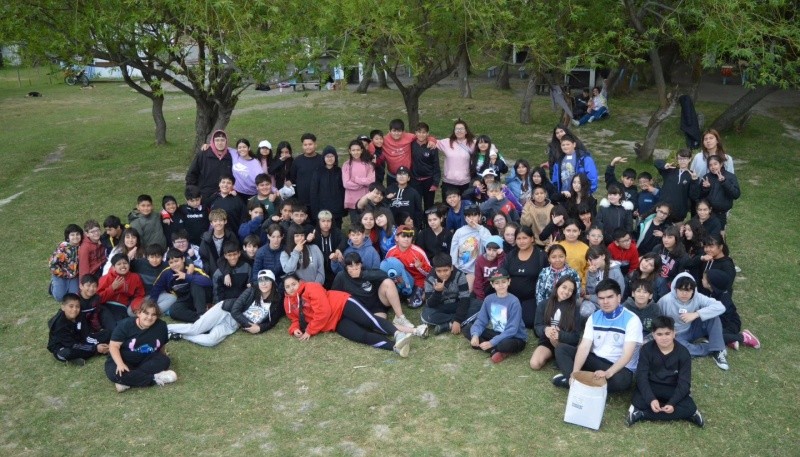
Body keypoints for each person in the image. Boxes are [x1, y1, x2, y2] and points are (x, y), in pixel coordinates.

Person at [283, 275, 415, 357]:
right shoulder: (288, 302)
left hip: (342, 304)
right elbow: (294, 319)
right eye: (288, 287)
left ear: (300, 282)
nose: (291, 288)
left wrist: (310, 331)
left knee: (370, 321)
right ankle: (395, 347)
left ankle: (398, 334)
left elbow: (323, 311)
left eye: (293, 284)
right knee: (361, 336)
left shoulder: (311, 287)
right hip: (334, 323)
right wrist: (295, 329)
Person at [552, 279, 642, 392]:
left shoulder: (632, 319)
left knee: (622, 381)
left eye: (610, 297)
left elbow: (627, 355)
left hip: (618, 367)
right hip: (595, 359)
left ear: (619, 298)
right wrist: (574, 373)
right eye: (601, 298)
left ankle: (577, 383)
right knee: (561, 349)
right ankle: (575, 379)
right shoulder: (594, 317)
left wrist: (608, 373)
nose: (605, 302)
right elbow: (584, 347)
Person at [167, 269, 284, 347]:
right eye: (260, 280)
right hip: (224, 310)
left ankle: (181, 335)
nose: (263, 284)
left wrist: (259, 328)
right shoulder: (251, 291)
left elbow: (272, 321)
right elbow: (235, 310)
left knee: (211, 341)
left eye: (267, 280)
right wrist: (249, 325)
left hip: (234, 323)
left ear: (273, 282)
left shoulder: (276, 301)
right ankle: (165, 328)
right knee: (196, 329)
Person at [625, 316, 705, 427]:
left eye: (667, 333)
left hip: (672, 388)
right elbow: (641, 377)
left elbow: (684, 383)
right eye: (659, 334)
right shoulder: (646, 349)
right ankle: (682, 414)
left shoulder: (683, 353)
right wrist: (651, 399)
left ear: (674, 333)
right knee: (638, 400)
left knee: (689, 407)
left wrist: (672, 403)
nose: (664, 338)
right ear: (653, 335)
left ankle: (642, 414)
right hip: (652, 385)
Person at [331, 252, 423, 331]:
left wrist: (363, 274)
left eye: (357, 265)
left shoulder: (365, 271)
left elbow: (383, 275)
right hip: (362, 309)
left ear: (361, 264)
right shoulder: (341, 276)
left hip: (377, 303)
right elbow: (334, 296)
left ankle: (400, 317)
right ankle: (412, 331)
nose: (354, 268)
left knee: (388, 282)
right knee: (377, 325)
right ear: (346, 267)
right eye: (350, 266)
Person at [657, 272, 730, 371]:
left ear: (693, 290)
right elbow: (657, 319)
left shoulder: (698, 297)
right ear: (675, 289)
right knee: (678, 349)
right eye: (681, 289)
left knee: (714, 317)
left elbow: (720, 307)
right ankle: (712, 347)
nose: (684, 293)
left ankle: (717, 351)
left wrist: (696, 314)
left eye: (688, 290)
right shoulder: (665, 301)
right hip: (677, 335)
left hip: (692, 327)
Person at [104, 300, 177, 392]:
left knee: (165, 360)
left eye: (153, 314)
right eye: (146, 313)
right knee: (115, 374)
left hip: (146, 359)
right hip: (124, 359)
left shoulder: (161, 326)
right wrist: (120, 364)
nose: (149, 317)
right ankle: (155, 378)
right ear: (138, 313)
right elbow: (113, 346)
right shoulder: (125, 325)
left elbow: (162, 344)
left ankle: (127, 381)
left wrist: (162, 357)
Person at [463, 269, 528, 363]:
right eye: (497, 283)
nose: (501, 285)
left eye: (504, 282)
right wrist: (475, 335)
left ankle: (496, 348)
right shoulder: (489, 299)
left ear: (509, 282)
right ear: (492, 284)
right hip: (498, 333)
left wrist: (491, 342)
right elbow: (481, 320)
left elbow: (512, 329)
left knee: (504, 345)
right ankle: (494, 351)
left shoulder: (514, 301)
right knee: (468, 329)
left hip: (515, 337)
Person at [422, 253, 481, 335]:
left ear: (451, 268)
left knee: (480, 305)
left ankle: (449, 325)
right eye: (439, 271)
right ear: (435, 269)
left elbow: (464, 299)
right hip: (441, 306)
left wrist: (457, 320)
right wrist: (437, 292)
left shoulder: (460, 275)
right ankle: (458, 322)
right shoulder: (430, 279)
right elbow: (429, 304)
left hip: (457, 304)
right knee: (426, 316)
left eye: (445, 270)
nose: (442, 274)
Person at [530, 277, 583, 370]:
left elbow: (575, 337)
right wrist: (546, 329)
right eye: (564, 287)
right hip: (547, 341)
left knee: (566, 356)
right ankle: (552, 354)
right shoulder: (544, 304)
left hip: (566, 343)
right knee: (534, 364)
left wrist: (560, 335)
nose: (566, 292)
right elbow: (537, 327)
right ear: (557, 286)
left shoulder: (575, 308)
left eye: (570, 290)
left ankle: (561, 355)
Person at [703, 270, 761, 351]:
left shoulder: (723, 300)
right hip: (722, 324)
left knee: (713, 336)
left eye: (704, 278)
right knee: (706, 332)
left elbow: (724, 319)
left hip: (732, 325)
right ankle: (731, 340)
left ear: (710, 284)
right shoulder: (714, 293)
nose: (702, 280)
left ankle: (743, 337)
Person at [150, 248, 212, 322]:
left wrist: (187, 276)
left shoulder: (193, 268)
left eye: (176, 261)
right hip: (185, 299)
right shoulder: (166, 273)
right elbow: (156, 288)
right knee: (173, 311)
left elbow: (208, 282)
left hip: (201, 298)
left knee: (196, 283)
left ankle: (202, 313)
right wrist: (151, 305)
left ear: (183, 259)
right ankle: (200, 319)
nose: (174, 264)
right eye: (171, 262)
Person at [47, 293, 109, 366]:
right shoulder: (59, 326)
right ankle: (95, 352)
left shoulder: (80, 314)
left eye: (77, 307)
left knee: (107, 333)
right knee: (67, 353)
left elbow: (86, 334)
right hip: (65, 346)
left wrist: (93, 344)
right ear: (63, 307)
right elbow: (73, 345)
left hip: (80, 340)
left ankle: (81, 357)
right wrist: (95, 348)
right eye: (71, 306)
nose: (75, 309)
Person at [504, 226, 547, 329]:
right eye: (518, 238)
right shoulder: (511, 255)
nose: (521, 241)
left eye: (525, 238)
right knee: (504, 319)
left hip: (531, 298)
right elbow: (503, 271)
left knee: (529, 322)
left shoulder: (541, 255)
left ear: (532, 239)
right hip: (512, 296)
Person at [385, 225, 432, 308]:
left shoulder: (418, 252)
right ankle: (404, 294)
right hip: (400, 280)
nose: (406, 239)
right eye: (403, 236)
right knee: (388, 299)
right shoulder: (391, 252)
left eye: (409, 236)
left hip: (418, 281)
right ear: (396, 238)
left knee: (413, 304)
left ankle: (424, 292)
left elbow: (430, 272)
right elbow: (387, 268)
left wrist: (420, 266)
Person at [185, 129, 233, 205]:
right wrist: (191, 192)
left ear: (226, 141)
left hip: (224, 194)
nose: (220, 143)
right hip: (204, 194)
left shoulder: (231, 156)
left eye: (222, 140)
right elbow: (192, 174)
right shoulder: (203, 154)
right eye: (217, 140)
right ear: (213, 142)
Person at [450, 204, 492, 292]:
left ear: (479, 216)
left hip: (474, 270)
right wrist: (454, 267)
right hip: (460, 268)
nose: (471, 218)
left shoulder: (483, 230)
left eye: (474, 215)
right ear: (465, 218)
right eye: (468, 216)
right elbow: (453, 251)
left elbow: (489, 244)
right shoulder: (459, 232)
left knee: (467, 291)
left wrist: (478, 227)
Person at [98, 254, 146, 329]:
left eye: (125, 263)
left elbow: (139, 295)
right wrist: (112, 288)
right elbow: (98, 299)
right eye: (119, 264)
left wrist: (136, 306)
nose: (123, 266)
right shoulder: (106, 278)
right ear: (113, 267)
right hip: (106, 305)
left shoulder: (135, 277)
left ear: (129, 265)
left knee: (123, 325)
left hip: (121, 307)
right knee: (108, 322)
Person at [695, 154, 740, 232]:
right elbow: (699, 196)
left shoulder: (730, 177)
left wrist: (724, 182)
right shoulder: (706, 177)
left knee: (718, 237)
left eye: (715, 164)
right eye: (710, 165)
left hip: (721, 214)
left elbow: (736, 194)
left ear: (721, 164)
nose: (713, 167)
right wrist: (706, 188)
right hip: (706, 214)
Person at [581, 245, 627, 317]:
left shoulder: (615, 272)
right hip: (594, 303)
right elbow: (591, 291)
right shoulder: (591, 270)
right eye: (590, 260)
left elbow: (618, 295)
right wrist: (592, 274)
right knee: (585, 310)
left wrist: (590, 297)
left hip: (610, 304)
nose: (593, 262)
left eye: (595, 258)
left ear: (603, 256)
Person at [654, 149, 699, 223]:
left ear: (690, 159)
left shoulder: (692, 175)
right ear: (677, 159)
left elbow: (694, 196)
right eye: (680, 158)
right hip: (663, 210)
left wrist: (694, 181)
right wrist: (664, 165)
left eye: (685, 158)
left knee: (674, 233)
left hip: (679, 213)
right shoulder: (670, 170)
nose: (682, 161)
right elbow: (656, 162)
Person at [438, 119, 476, 200]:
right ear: (454, 131)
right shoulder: (447, 142)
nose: (459, 131)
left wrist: (493, 152)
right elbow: (433, 142)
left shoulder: (472, 143)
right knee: (448, 208)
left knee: (465, 207)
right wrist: (430, 140)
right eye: (457, 129)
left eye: (461, 129)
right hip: (449, 183)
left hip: (465, 182)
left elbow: (488, 145)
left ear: (466, 131)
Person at [310, 146, 345, 228]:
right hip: (323, 208)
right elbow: (314, 191)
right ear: (323, 158)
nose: (330, 159)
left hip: (337, 207)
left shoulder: (339, 171)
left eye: (332, 156)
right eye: (327, 156)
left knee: (337, 228)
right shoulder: (318, 172)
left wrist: (343, 208)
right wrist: (315, 210)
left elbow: (342, 190)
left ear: (335, 157)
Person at [288, 133, 324, 212]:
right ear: (302, 146)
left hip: (319, 201)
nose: (308, 147)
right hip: (302, 202)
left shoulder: (322, 160)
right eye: (305, 145)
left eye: (310, 144)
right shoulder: (297, 161)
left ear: (315, 145)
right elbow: (292, 179)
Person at [342, 139, 375, 223]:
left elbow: (371, 181)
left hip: (365, 198)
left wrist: (357, 180)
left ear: (362, 150)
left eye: (358, 150)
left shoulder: (368, 165)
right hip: (352, 200)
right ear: (349, 151)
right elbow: (346, 183)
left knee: (367, 223)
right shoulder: (346, 165)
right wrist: (362, 184)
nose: (355, 152)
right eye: (353, 150)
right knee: (356, 224)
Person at [410, 122, 441, 210]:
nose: (421, 134)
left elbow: (436, 165)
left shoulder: (432, 147)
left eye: (424, 132)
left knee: (429, 205)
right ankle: (418, 224)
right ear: (415, 133)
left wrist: (435, 183)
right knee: (416, 205)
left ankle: (428, 223)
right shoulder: (411, 144)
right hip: (415, 181)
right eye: (419, 132)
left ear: (427, 133)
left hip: (428, 180)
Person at [199, 209, 238, 278]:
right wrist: (208, 269)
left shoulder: (231, 236)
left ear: (225, 221)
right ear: (211, 223)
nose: (218, 223)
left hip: (230, 271)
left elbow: (235, 252)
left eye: (221, 220)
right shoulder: (206, 238)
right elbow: (203, 256)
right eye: (215, 221)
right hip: (212, 272)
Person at [50, 224, 83, 301]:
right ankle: (51, 286)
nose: (75, 237)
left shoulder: (82, 247)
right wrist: (62, 274)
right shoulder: (63, 248)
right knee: (60, 297)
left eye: (77, 234)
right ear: (68, 237)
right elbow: (52, 264)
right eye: (72, 235)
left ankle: (66, 286)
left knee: (74, 297)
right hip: (60, 275)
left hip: (73, 276)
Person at [313, 210, 343, 289]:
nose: (326, 224)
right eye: (323, 221)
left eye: (328, 221)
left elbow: (345, 240)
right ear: (318, 222)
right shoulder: (314, 234)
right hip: (319, 269)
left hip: (334, 268)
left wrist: (339, 249)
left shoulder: (336, 232)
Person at [387, 166, 424, 230]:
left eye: (404, 174)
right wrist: (386, 198)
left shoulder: (414, 193)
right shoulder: (388, 190)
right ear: (396, 177)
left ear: (409, 178)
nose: (401, 176)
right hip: (391, 227)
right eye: (399, 174)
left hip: (408, 227)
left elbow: (418, 212)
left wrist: (416, 227)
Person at [558, 219, 589, 288]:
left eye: (574, 231)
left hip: (578, 284)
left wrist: (583, 285)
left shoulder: (585, 248)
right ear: (563, 231)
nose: (571, 234)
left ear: (579, 232)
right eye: (568, 230)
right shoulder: (558, 246)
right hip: (559, 284)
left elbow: (588, 268)